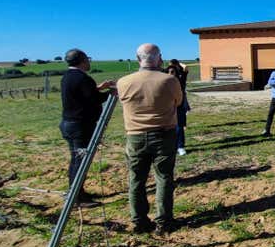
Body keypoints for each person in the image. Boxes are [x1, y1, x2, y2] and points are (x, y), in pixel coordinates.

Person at [117, 43, 183, 235]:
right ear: (159, 58)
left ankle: (138, 220)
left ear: (138, 59)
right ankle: (164, 221)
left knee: (136, 179)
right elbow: (178, 102)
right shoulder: (169, 81)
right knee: (164, 177)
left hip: (135, 136)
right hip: (164, 134)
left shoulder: (123, 82)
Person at [59, 49, 114, 203]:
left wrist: (98, 88)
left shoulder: (67, 77)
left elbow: (81, 95)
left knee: (76, 159)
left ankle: (76, 191)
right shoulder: (83, 79)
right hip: (80, 126)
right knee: (81, 161)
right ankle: (77, 197)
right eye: (87, 59)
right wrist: (111, 92)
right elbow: (93, 99)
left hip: (68, 124)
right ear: (82, 60)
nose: (89, 61)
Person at [166, 60, 190, 156]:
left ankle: (180, 147)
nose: (171, 73)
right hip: (167, 106)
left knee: (179, 127)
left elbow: (186, 67)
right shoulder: (164, 81)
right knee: (168, 128)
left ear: (176, 72)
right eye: (169, 72)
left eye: (173, 72)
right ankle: (171, 146)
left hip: (179, 105)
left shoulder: (181, 79)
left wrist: (177, 63)